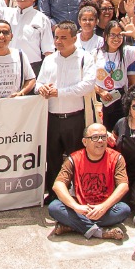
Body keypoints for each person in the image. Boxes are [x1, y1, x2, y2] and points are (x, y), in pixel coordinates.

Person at [36, 22, 97, 196]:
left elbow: (87, 85)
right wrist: (41, 89)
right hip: (52, 118)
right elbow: (38, 82)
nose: (58, 41)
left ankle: (78, 192)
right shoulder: (49, 59)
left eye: (63, 37)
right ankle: (55, 194)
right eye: (56, 37)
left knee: (76, 158)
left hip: (75, 118)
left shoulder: (85, 58)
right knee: (53, 158)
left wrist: (59, 92)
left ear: (74, 38)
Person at [47, 123, 130, 241]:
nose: (100, 141)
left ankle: (73, 226)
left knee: (124, 210)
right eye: (95, 137)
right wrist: (76, 207)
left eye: (103, 137)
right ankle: (99, 232)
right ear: (85, 142)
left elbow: (123, 185)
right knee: (54, 207)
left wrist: (103, 207)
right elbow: (58, 185)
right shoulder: (74, 158)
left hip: (104, 209)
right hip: (81, 207)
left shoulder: (116, 158)